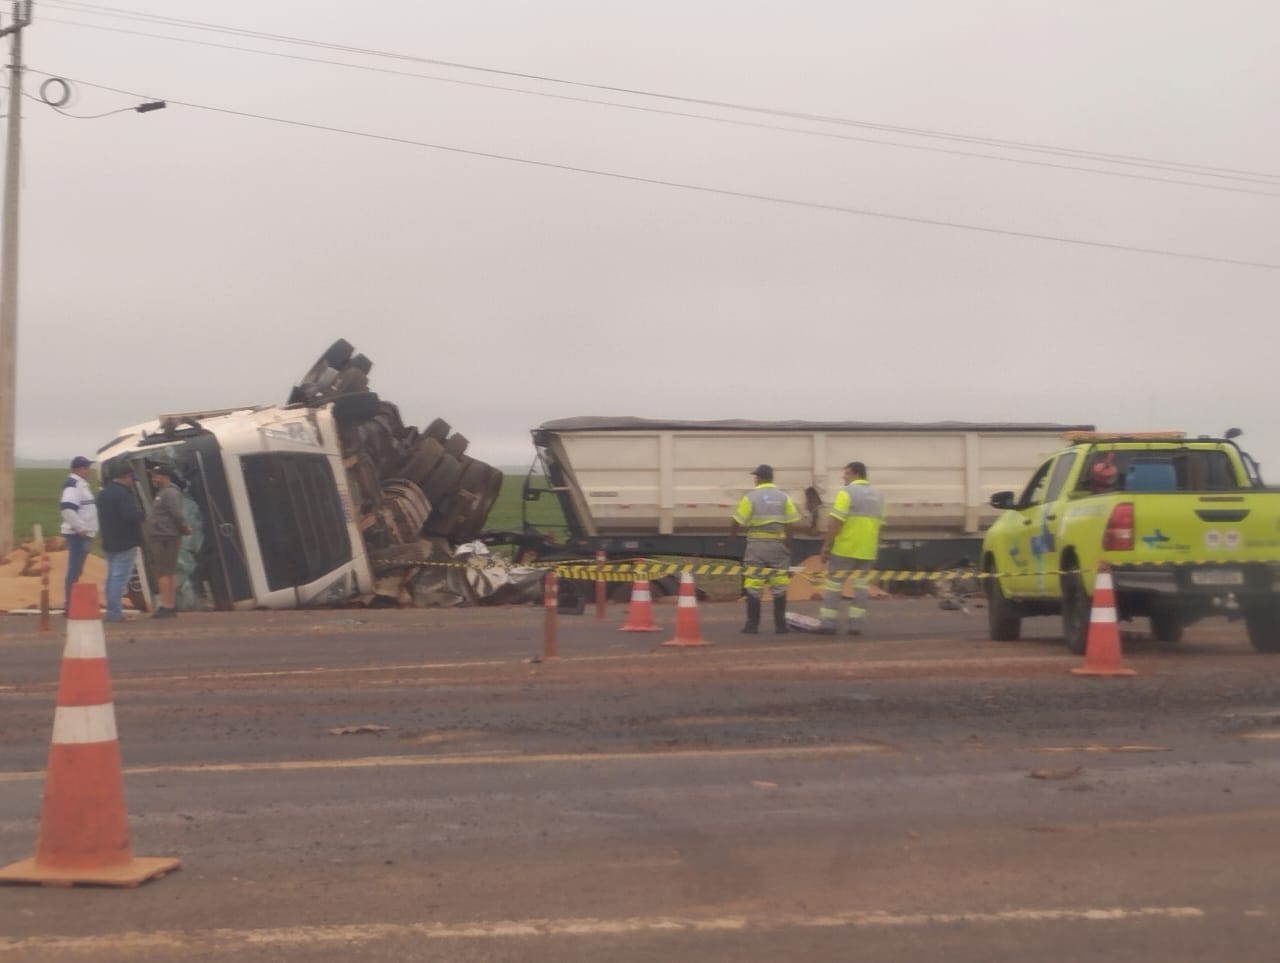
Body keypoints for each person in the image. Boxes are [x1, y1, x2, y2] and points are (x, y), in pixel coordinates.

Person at [731, 464, 800, 634]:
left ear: (760, 478)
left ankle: (752, 625)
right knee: (779, 585)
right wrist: (788, 545)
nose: (755, 479)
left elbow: (737, 519)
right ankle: (780, 626)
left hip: (756, 545)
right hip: (777, 545)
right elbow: (790, 523)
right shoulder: (784, 498)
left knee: (753, 583)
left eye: (756, 477)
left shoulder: (751, 497)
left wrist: (732, 536)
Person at [818, 461, 885, 636]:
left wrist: (826, 546)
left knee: (833, 586)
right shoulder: (878, 496)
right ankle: (855, 626)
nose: (843, 477)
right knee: (861, 588)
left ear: (856, 474)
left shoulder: (846, 493)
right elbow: (880, 526)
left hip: (845, 548)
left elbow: (836, 522)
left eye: (846, 473)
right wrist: (875, 548)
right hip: (867, 551)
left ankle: (828, 624)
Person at [96, 458, 146, 622]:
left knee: (111, 577)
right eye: (131, 477)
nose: (132, 481)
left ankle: (112, 610)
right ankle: (115, 613)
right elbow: (130, 516)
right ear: (125, 476)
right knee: (119, 578)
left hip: (109, 541)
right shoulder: (124, 495)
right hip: (125, 542)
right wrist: (142, 515)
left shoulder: (103, 494)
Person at [144, 463, 191, 618]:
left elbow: (176, 514)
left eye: (156, 476)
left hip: (165, 537)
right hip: (163, 536)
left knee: (164, 572)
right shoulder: (162, 493)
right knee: (168, 571)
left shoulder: (169, 493)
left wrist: (183, 528)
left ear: (164, 476)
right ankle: (170, 604)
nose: (153, 479)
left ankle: (167, 605)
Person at [59, 455, 98, 609]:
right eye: (86, 467)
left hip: (82, 534)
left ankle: (72, 602)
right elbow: (67, 509)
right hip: (77, 535)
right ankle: (69, 604)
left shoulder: (81, 485)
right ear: (79, 469)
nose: (88, 470)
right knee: (74, 569)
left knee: (77, 569)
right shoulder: (73, 484)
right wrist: (80, 528)